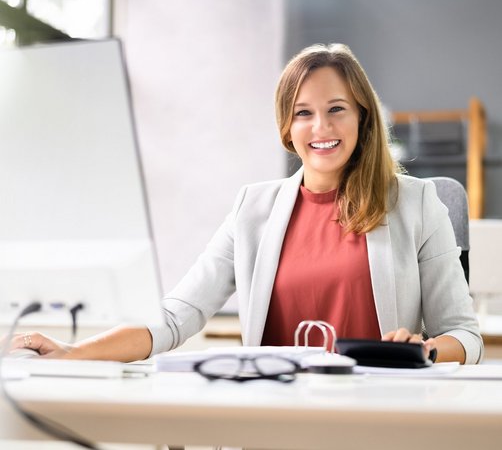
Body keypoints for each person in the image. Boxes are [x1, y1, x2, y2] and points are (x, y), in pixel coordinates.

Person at [8, 43, 482, 364]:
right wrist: (73, 353)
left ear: (362, 118)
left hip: (379, 417)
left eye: (337, 109)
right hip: (274, 415)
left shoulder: (417, 203)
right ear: (286, 127)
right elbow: (174, 318)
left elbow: (465, 334)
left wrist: (428, 350)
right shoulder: (253, 208)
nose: (321, 127)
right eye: (303, 113)